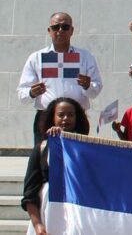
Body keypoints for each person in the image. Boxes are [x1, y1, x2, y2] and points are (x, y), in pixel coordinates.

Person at [18, 12, 103, 146]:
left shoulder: (85, 57)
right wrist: (32, 93)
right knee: (43, 159)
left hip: (75, 118)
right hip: (46, 117)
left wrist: (88, 86)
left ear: (72, 30)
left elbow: (96, 89)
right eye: (56, 27)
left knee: (75, 160)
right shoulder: (36, 58)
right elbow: (22, 94)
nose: (60, 31)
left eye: (65, 27)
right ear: (49, 31)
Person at [22, 97, 91, 235]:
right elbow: (29, 195)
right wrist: (38, 225)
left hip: (78, 216)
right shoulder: (41, 149)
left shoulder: (87, 148)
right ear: (52, 118)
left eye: (71, 115)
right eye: (61, 115)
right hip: (48, 213)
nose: (66, 118)